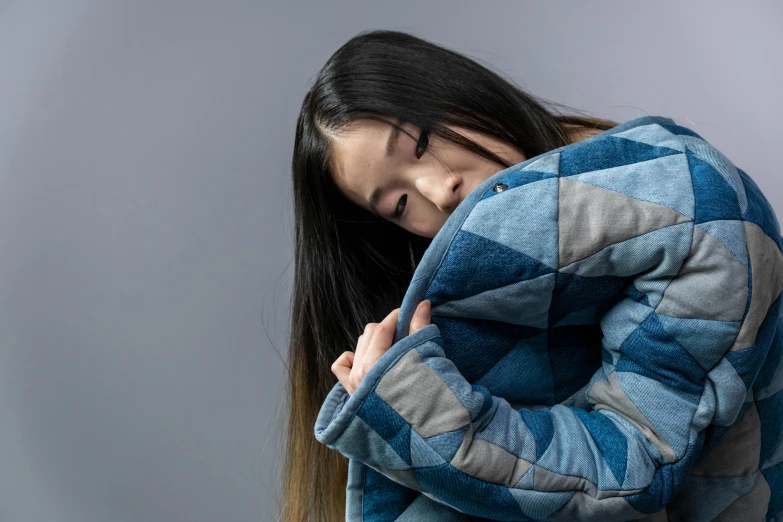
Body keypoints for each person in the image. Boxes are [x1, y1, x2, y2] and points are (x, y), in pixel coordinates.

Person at [282, 30, 782, 521]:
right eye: (399, 204)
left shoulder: (698, 213)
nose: (440, 190)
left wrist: (416, 408)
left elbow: (634, 466)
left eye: (421, 144)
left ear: (461, 90)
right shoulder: (488, 301)